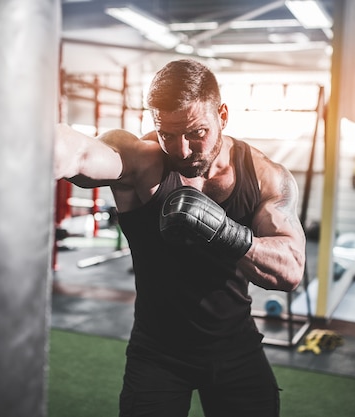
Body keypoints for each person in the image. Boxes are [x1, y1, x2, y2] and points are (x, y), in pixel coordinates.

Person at [54, 59, 306, 417]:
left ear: (223, 114)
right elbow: (79, 152)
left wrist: (223, 230)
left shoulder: (264, 175)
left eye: (196, 133)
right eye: (167, 134)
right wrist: (26, 142)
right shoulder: (141, 161)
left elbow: (291, 269)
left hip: (237, 350)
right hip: (157, 353)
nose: (182, 150)